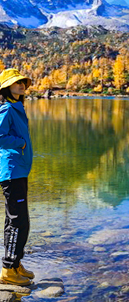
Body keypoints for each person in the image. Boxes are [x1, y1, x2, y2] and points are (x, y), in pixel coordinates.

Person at [0, 69, 34, 286]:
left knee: (22, 221)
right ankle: (7, 270)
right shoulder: (6, 109)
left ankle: (16, 264)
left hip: (19, 170)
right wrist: (20, 143)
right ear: (6, 88)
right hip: (11, 171)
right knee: (16, 222)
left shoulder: (17, 107)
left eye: (23, 82)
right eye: (16, 83)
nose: (21, 85)